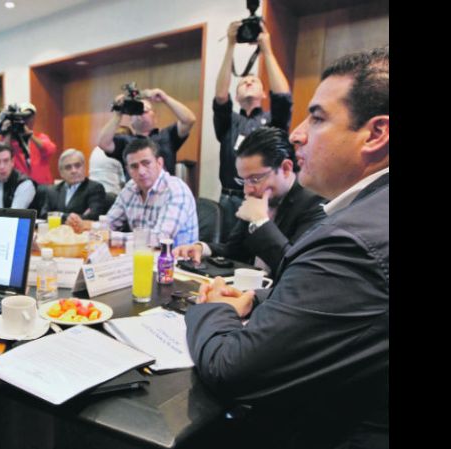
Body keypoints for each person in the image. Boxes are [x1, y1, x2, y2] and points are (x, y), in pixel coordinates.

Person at [183, 46, 389, 449]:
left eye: (316, 118)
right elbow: (320, 297)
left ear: (375, 134)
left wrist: (211, 307)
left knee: (200, 447)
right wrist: (256, 299)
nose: (296, 134)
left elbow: (230, 369)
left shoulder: (352, 238)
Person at [173, 127, 326, 277]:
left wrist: (260, 222)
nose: (247, 190)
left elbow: (295, 269)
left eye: (255, 179)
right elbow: (234, 251)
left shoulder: (314, 204)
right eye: (243, 180)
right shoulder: (257, 196)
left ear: (285, 168)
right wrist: (203, 248)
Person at [214, 24, 292, 238]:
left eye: (254, 81)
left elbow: (283, 95)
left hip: (264, 197)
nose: (248, 81)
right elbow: (220, 96)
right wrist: (230, 44)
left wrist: (266, 49)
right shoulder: (230, 121)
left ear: (264, 94)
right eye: (243, 82)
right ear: (237, 97)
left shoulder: (272, 121)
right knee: (227, 253)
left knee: (260, 250)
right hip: (230, 199)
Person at [68, 137, 198, 247]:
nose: (141, 171)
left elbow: (159, 239)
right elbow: (109, 223)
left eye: (146, 163)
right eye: (134, 166)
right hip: (141, 259)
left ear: (159, 163)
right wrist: (87, 226)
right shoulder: (130, 188)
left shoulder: (176, 190)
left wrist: (109, 236)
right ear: (128, 170)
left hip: (177, 266)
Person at [98, 87, 196, 176]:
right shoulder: (125, 141)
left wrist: (165, 99)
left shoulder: (168, 135)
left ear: (155, 117)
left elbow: (189, 120)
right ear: (131, 121)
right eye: (137, 110)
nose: (141, 112)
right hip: (136, 192)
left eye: (145, 109)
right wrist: (118, 113)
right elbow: (103, 143)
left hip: (165, 192)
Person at [0, 102, 57, 185]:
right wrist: (8, 132)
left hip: (41, 186)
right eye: (23, 118)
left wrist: (30, 135)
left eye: (29, 117)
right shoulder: (10, 140)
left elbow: (50, 150)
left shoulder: (40, 137)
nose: (26, 121)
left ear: (34, 118)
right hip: (20, 186)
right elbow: (1, 153)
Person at [41, 148, 107, 222]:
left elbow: (93, 217)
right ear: (61, 172)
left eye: (78, 165)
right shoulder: (53, 191)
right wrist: (68, 216)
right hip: (56, 232)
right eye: (68, 167)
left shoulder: (95, 188)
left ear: (84, 167)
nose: (74, 171)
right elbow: (44, 215)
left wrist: (57, 215)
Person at [88, 126, 130, 197]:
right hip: (111, 195)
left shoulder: (96, 149)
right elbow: (126, 182)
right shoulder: (118, 152)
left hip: (91, 193)